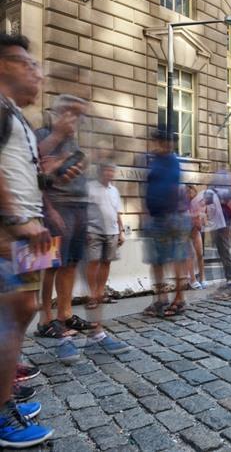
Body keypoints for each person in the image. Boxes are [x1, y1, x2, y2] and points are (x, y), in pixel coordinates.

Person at [0, 33, 56, 448]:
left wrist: (45, 209)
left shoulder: (17, 115)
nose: (37, 72)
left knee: (24, 310)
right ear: (5, 65)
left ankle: (5, 393)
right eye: (28, 64)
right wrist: (17, 219)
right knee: (12, 312)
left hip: (29, 228)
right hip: (10, 229)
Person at [35, 95, 95, 364]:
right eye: (74, 114)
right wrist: (50, 209)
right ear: (59, 113)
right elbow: (37, 179)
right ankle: (45, 319)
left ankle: (65, 313)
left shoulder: (73, 143)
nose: (78, 120)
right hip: (55, 211)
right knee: (50, 265)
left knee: (69, 263)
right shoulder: (44, 136)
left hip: (76, 210)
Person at [84, 162, 130, 353]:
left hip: (111, 231)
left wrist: (121, 231)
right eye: (107, 169)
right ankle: (92, 292)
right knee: (93, 261)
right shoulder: (90, 187)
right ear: (100, 171)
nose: (110, 173)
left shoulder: (114, 190)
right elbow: (84, 209)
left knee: (106, 263)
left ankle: (100, 291)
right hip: (93, 230)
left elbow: (118, 212)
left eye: (112, 170)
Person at [143, 128, 188, 317]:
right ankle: (161, 299)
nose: (158, 145)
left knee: (176, 259)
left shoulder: (171, 162)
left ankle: (179, 299)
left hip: (170, 217)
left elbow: (171, 189)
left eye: (161, 141)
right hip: (157, 217)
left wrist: (170, 214)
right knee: (157, 261)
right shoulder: (156, 161)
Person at [185, 185, 208, 290]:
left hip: (196, 231)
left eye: (191, 191)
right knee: (189, 255)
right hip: (185, 231)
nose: (189, 194)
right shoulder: (183, 205)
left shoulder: (198, 204)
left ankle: (203, 277)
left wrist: (202, 220)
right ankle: (192, 279)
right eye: (187, 192)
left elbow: (203, 220)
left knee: (200, 254)